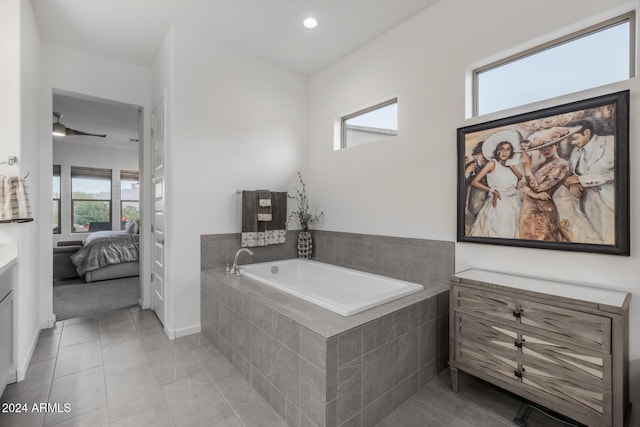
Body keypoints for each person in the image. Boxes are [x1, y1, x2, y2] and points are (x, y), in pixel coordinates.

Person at [562, 119, 616, 244]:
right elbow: (570, 174)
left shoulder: (610, 142)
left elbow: (619, 172)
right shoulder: (576, 151)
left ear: (586, 132)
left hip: (610, 201)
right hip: (587, 202)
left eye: (574, 138)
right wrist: (572, 184)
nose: (572, 143)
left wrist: (581, 180)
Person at [518, 128, 571, 241]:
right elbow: (521, 184)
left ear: (556, 145)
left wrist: (527, 170)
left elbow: (541, 187)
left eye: (549, 146)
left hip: (543, 210)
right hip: (527, 208)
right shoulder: (539, 165)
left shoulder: (562, 164)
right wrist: (534, 194)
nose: (545, 150)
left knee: (543, 240)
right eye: (542, 148)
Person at [469, 130, 523, 238]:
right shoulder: (492, 163)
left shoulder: (510, 166)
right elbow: (474, 182)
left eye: (508, 149)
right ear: (497, 150)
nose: (504, 152)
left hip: (514, 204)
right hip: (499, 203)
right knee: (499, 233)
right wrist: (491, 190)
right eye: (502, 149)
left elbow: (521, 179)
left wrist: (511, 166)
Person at [464, 141, 487, 233]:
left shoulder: (490, 164)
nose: (482, 155)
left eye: (484, 152)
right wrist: (466, 173)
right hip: (475, 198)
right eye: (480, 152)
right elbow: (463, 182)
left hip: (488, 197)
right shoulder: (469, 165)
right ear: (476, 154)